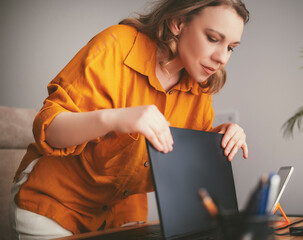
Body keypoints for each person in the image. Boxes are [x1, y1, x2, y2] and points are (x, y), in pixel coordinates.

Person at [10, 0, 250, 239]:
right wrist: (114, 119)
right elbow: (50, 130)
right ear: (178, 23)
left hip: (122, 217)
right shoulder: (116, 44)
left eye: (231, 47)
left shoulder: (200, 85)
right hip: (53, 204)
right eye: (212, 38)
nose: (222, 58)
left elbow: (182, 163)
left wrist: (220, 137)